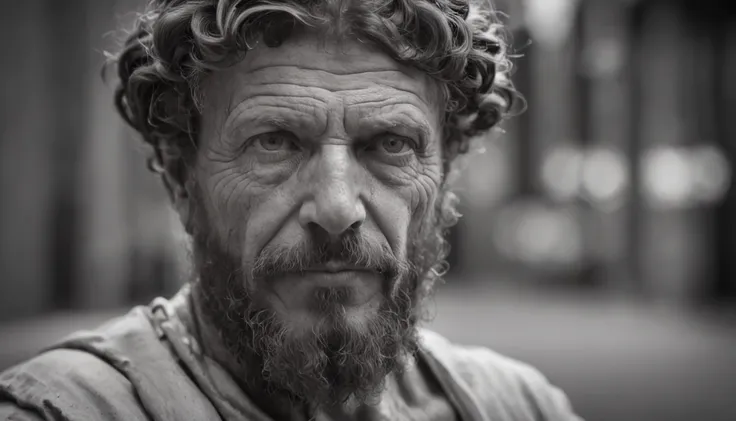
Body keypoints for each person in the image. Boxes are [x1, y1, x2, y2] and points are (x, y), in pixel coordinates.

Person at [0, 0, 582, 420]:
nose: (336, 208)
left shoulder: (520, 406)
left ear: (445, 172)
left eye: (390, 144)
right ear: (182, 176)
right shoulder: (63, 410)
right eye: (274, 142)